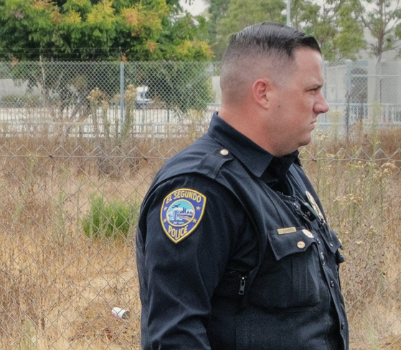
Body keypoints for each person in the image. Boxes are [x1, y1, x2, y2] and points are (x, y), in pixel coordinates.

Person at [135, 23, 346, 349]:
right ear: (263, 93)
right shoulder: (202, 188)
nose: (323, 105)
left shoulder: (286, 171)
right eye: (311, 90)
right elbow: (176, 336)